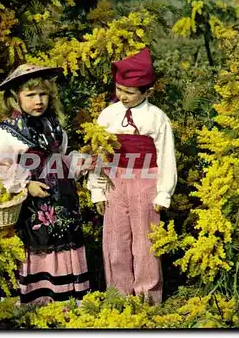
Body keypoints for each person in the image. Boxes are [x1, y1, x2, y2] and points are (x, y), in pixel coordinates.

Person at [0, 64, 90, 305]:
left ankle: (67, 298)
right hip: (34, 205)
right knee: (39, 242)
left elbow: (60, 157)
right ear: (16, 98)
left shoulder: (54, 125)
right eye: (31, 95)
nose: (38, 101)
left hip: (63, 198)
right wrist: (26, 185)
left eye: (43, 94)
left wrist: (79, 165)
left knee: (64, 239)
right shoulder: (9, 131)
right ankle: (38, 299)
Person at [87, 48, 177, 304]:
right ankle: (119, 296)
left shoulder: (156, 117)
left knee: (145, 243)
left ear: (147, 92)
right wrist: (96, 189)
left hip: (146, 180)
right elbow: (99, 153)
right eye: (119, 89)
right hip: (115, 181)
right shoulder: (108, 115)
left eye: (129, 92)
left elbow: (166, 156)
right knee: (115, 242)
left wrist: (163, 193)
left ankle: (147, 297)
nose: (122, 96)